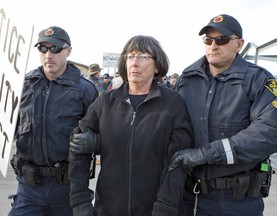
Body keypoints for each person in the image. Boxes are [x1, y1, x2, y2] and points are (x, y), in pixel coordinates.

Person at [169, 14, 277, 216]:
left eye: (222, 39)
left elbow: (271, 133)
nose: (213, 46)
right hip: (189, 197)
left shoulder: (259, 80)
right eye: (208, 40)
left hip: (236, 202)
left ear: (239, 44)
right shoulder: (187, 79)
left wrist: (205, 154)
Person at [68, 35, 193, 216]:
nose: (134, 62)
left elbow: (178, 162)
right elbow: (77, 146)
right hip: (108, 209)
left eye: (143, 56)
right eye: (130, 56)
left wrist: (164, 208)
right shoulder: (105, 102)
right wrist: (80, 202)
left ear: (157, 65)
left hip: (154, 209)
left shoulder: (172, 104)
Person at [8, 26, 98, 216]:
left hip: (68, 190)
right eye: (43, 48)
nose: (48, 54)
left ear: (68, 51)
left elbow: (106, 137)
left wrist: (95, 141)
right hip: (29, 190)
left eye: (55, 48)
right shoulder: (21, 87)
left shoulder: (85, 91)